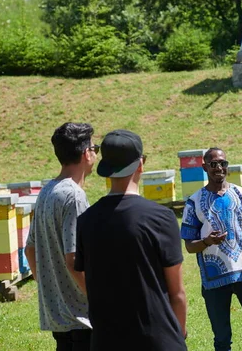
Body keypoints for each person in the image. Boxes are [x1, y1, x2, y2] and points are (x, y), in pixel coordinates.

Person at [74, 129, 187, 350]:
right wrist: (180, 333)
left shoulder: (86, 221)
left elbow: (85, 278)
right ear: (140, 165)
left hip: (106, 341)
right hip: (158, 339)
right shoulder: (161, 217)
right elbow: (177, 293)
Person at [180, 147, 242, 351]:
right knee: (222, 340)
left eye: (223, 163)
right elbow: (189, 246)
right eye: (214, 164)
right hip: (214, 280)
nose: (219, 168)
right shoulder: (193, 202)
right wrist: (207, 242)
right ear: (204, 167)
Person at [26, 122, 98, 350]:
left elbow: (30, 249)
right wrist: (99, 300)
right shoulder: (74, 196)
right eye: (95, 148)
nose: (96, 153)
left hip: (57, 317)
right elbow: (74, 258)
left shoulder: (47, 191)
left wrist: (52, 288)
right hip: (81, 319)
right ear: (86, 153)